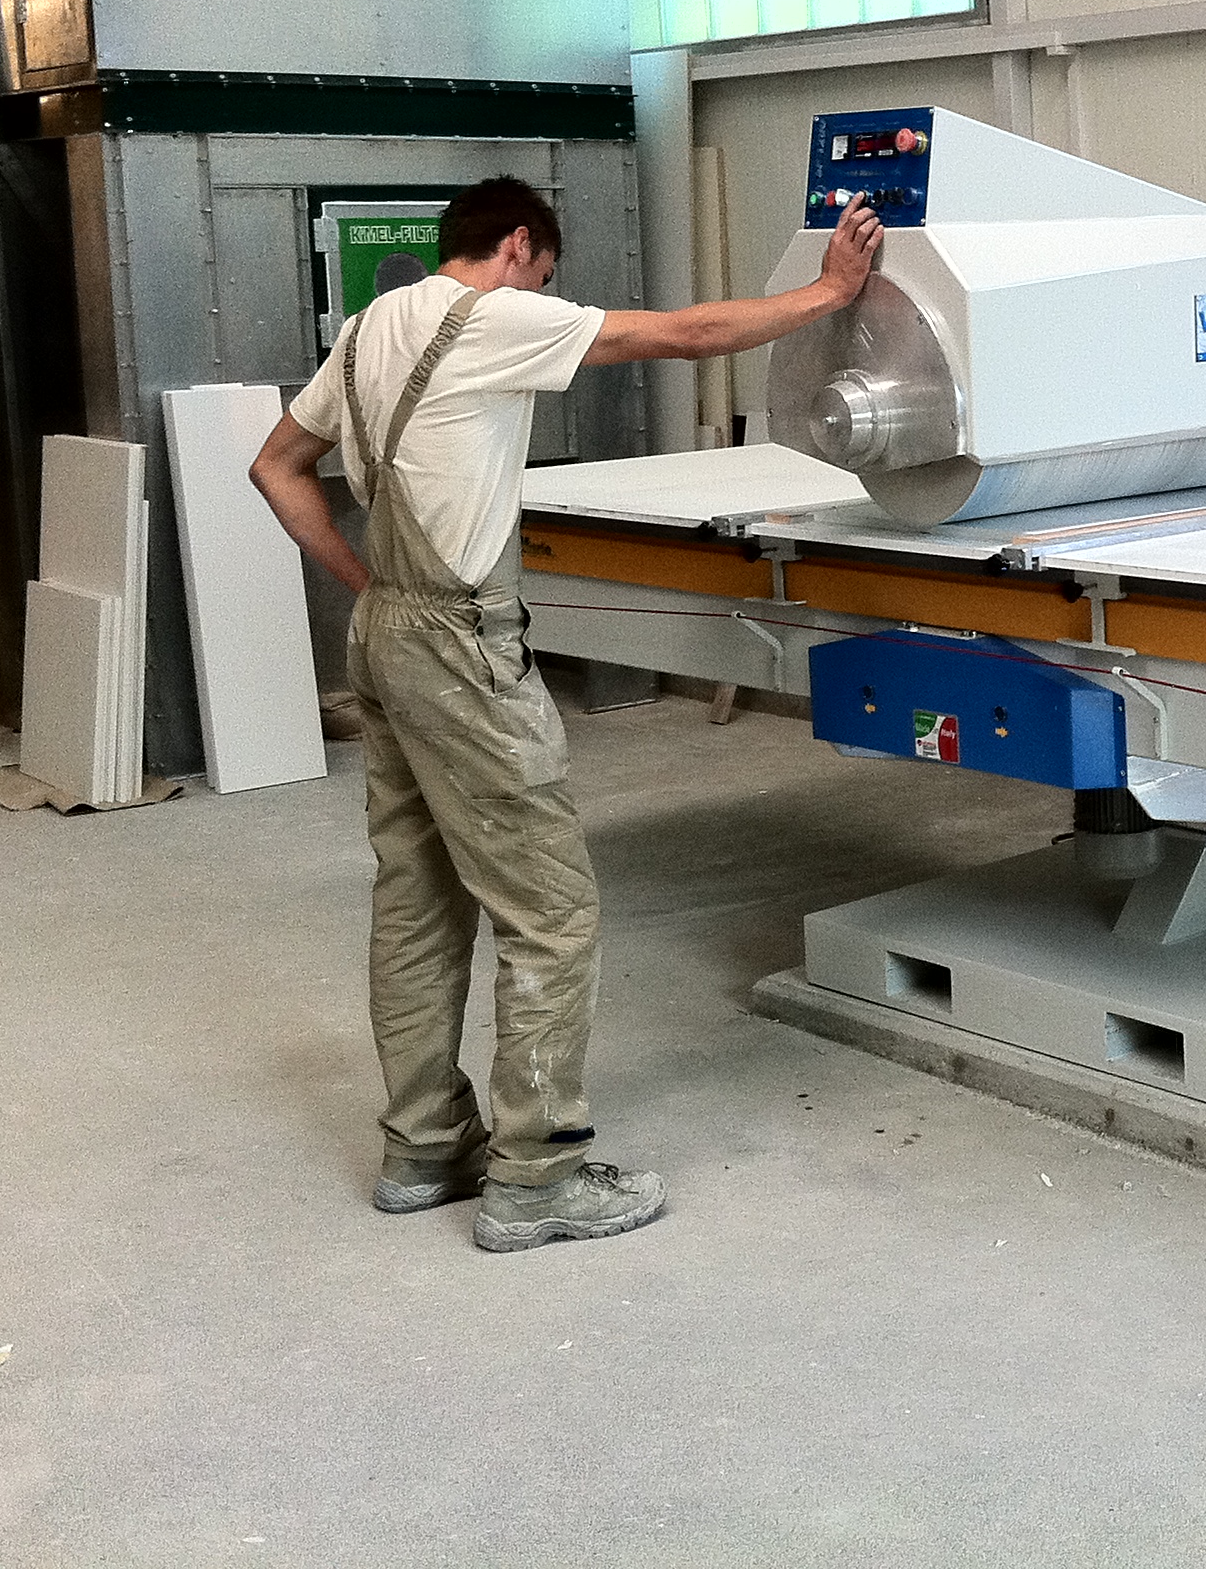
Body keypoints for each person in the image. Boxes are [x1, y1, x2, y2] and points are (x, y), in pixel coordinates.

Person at [250, 175, 882, 1251]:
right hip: (460, 647)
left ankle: (422, 1147)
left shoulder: (365, 332)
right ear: (516, 246)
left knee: (416, 900)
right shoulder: (494, 316)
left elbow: (276, 466)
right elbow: (684, 333)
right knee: (551, 913)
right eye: (545, 276)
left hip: (388, 634)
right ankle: (536, 1177)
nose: (547, 297)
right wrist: (829, 293)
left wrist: (370, 588)